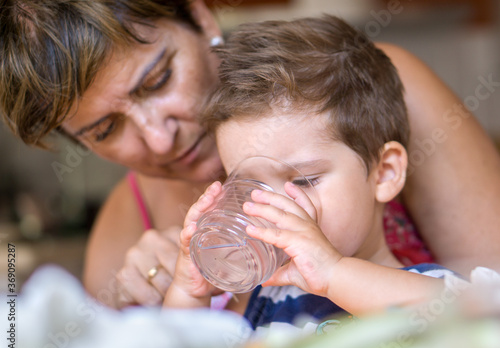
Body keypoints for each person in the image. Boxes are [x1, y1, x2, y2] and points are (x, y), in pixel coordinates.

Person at [1, 0, 499, 309]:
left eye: (158, 80)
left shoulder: (374, 94)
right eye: (106, 128)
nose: (158, 138)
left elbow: (490, 309)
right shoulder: (125, 236)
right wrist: (168, 301)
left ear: (199, 16)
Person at [163, 15, 456, 331]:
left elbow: (473, 320)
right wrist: (189, 292)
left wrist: (333, 275)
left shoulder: (429, 289)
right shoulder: (265, 299)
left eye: (304, 181)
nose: (276, 210)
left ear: (384, 173)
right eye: (251, 187)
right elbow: (175, 347)